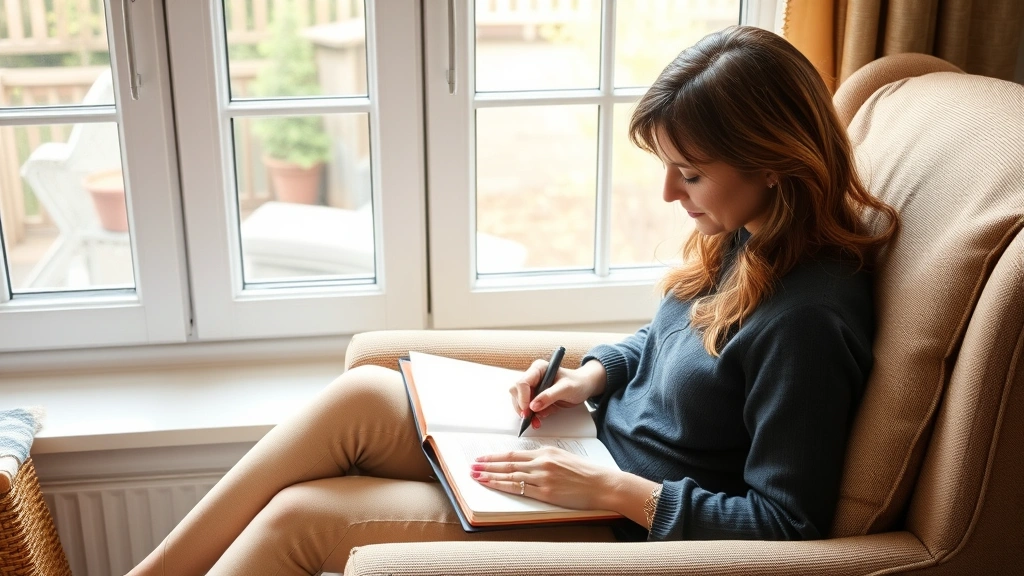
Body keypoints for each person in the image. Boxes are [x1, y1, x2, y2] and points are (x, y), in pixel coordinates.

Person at [127, 25, 899, 575]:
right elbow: (665, 344)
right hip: (583, 450)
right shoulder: (750, 232)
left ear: (772, 163)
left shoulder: (810, 317)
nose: (669, 193)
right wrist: (592, 375)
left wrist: (619, 492)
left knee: (304, 520)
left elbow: (788, 526)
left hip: (614, 517)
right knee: (360, 395)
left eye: (689, 173)